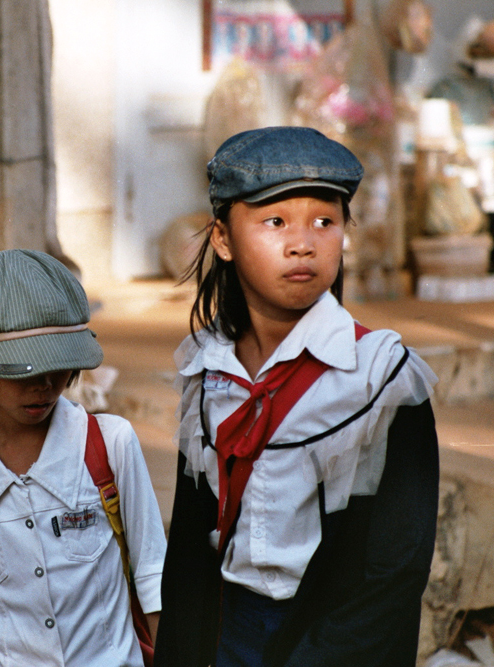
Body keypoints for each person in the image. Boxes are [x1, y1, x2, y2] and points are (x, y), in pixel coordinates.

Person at [153, 127, 440, 667]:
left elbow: (393, 568)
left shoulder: (379, 377)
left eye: (324, 222)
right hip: (225, 628)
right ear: (222, 239)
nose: (302, 243)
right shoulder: (207, 368)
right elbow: (192, 544)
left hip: (333, 636)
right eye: (275, 221)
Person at [0, 249, 167, 667]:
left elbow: (154, 576)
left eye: (57, 365)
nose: (44, 384)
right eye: (22, 370)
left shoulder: (111, 445)